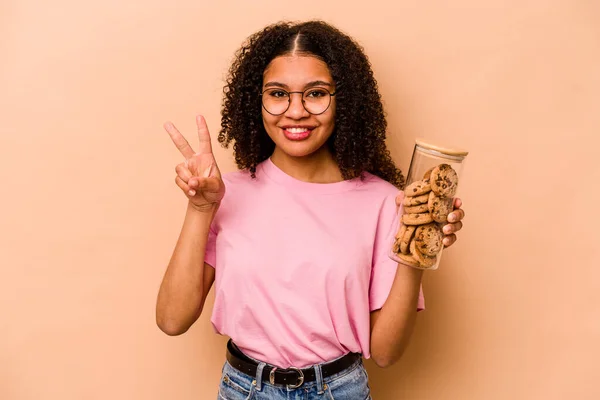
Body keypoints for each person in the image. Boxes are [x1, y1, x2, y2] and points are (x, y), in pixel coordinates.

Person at [156, 20, 465, 399]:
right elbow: (172, 320)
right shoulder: (224, 194)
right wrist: (201, 209)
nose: (296, 111)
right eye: (278, 93)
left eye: (316, 93)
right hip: (244, 389)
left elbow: (385, 353)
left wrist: (418, 251)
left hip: (340, 390)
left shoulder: (385, 202)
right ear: (257, 100)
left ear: (344, 100)